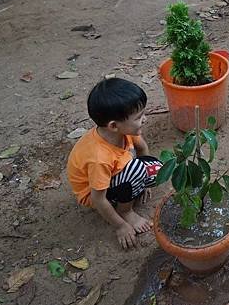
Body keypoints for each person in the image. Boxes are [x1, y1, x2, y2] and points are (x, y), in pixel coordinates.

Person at [67, 78, 162, 249]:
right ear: (113, 126)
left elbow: (142, 149)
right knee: (137, 170)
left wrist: (145, 182)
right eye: (139, 117)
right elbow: (98, 199)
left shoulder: (125, 130)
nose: (145, 119)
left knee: (155, 169)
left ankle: (131, 184)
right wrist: (121, 226)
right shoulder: (99, 157)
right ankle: (125, 211)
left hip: (115, 176)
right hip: (93, 193)